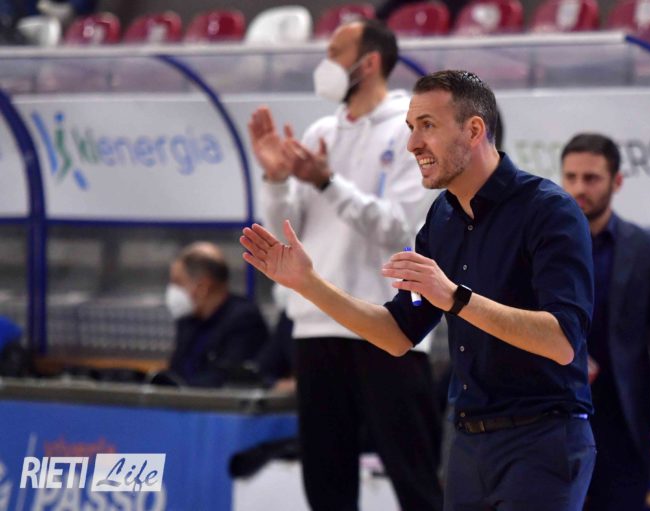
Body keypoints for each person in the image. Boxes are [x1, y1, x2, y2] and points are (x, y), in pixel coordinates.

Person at [241, 69, 596, 511]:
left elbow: (562, 341)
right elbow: (397, 333)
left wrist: (455, 297)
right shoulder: (441, 220)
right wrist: (308, 284)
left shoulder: (549, 211)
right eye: (411, 127)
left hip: (542, 438)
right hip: (468, 444)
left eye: (427, 126)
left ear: (474, 130)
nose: (412, 144)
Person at [247, 19, 443, 511]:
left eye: (335, 52)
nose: (325, 62)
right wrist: (276, 179)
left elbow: (400, 228)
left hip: (389, 326)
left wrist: (328, 182)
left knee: (415, 479)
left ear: (369, 62)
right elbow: (286, 233)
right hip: (315, 327)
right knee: (326, 482)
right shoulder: (320, 132)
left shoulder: (411, 130)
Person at [560, 133, 650, 511]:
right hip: (556, 414)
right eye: (571, 177)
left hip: (624, 416)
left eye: (591, 178)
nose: (579, 188)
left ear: (616, 181)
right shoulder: (544, 246)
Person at [162, 241, 270, 387]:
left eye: (178, 282)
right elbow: (175, 371)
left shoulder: (244, 320)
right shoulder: (188, 319)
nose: (172, 290)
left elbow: (228, 380)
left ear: (203, 286)